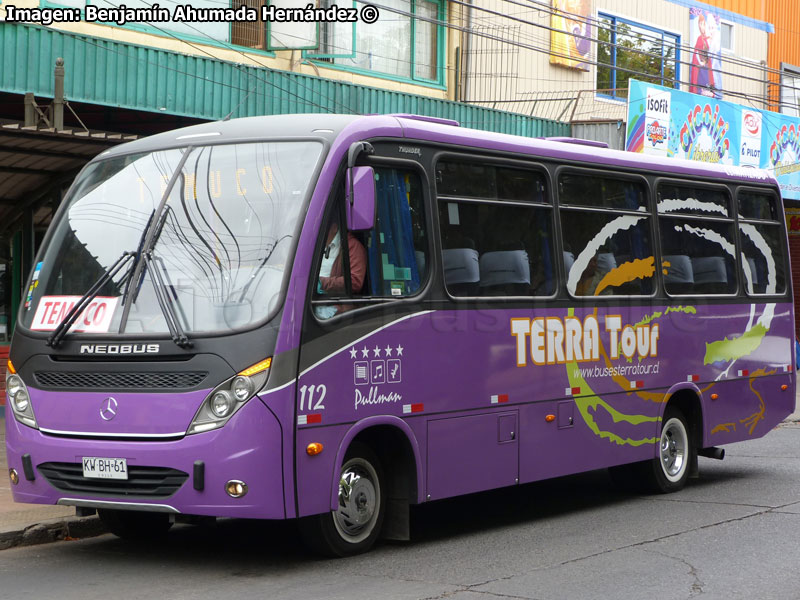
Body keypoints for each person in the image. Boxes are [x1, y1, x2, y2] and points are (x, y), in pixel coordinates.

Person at [316, 221, 367, 318]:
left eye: (322, 227)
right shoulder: (322, 245)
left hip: (339, 311)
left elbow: (355, 282)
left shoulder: (353, 246)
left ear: (334, 228)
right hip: (318, 302)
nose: (318, 232)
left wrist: (320, 283)